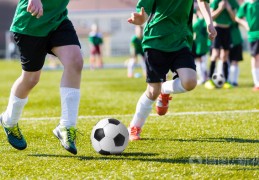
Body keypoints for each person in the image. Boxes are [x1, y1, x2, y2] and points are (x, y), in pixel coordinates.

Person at [0, 0, 83, 155]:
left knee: (75, 61)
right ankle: (9, 120)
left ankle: (66, 126)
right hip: (30, 23)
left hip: (57, 20)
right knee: (31, 79)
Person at [127, 0, 217, 141]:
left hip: (181, 41)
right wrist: (139, 19)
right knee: (152, 92)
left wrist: (209, 22)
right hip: (155, 41)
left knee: (190, 81)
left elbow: (202, 1)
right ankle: (134, 127)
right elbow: (143, 14)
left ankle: (165, 89)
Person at [204, 0, 239, 89]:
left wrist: (228, 8)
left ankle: (226, 81)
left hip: (227, 30)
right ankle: (209, 80)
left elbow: (234, 19)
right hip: (217, 29)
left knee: (224, 56)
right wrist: (220, 8)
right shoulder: (216, 1)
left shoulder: (232, 2)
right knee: (215, 54)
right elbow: (211, 16)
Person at [235, 0, 259, 91]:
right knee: (255, 57)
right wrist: (245, 24)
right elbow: (237, 17)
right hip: (252, 35)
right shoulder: (246, 5)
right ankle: (257, 83)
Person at [193, 8, 210, 85]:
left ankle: (202, 78)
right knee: (203, 61)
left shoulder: (199, 22)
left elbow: (192, 28)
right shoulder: (207, 22)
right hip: (205, 45)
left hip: (199, 45)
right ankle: (205, 77)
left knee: (199, 61)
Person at [228, 22, 243, 86]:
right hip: (229, 40)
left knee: (235, 62)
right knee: (229, 62)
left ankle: (233, 81)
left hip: (236, 41)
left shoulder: (234, 15)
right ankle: (230, 81)